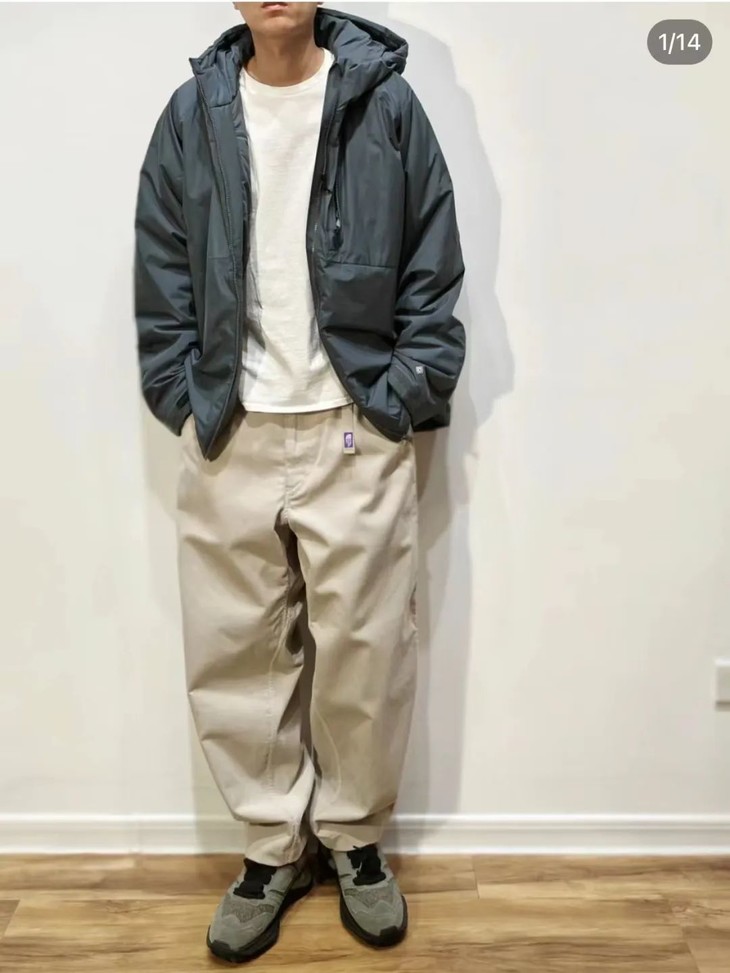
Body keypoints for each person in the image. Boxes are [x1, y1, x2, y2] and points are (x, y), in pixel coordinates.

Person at [133, 1, 465, 962]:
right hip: (229, 424)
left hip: (352, 424)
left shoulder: (386, 104)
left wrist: (403, 392)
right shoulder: (191, 113)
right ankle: (272, 847)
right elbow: (162, 264)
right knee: (233, 651)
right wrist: (182, 396)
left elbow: (432, 259)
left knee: (367, 649)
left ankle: (354, 840)